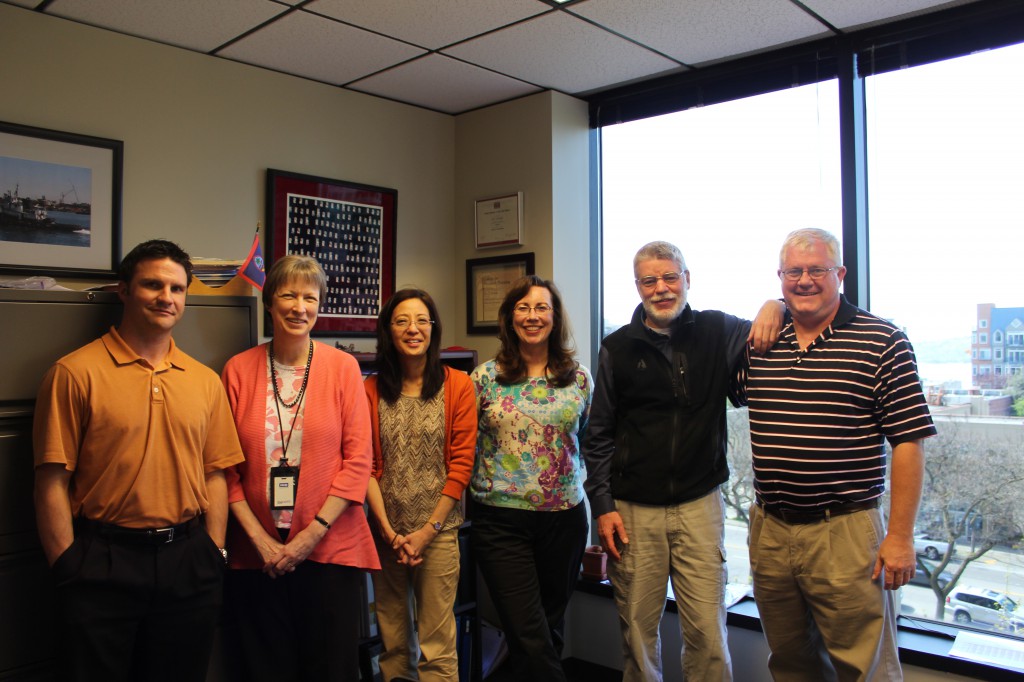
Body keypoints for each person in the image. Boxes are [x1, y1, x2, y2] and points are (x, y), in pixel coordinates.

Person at [33, 239, 244, 682]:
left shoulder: (205, 383)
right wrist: (68, 566)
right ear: (123, 291)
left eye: (177, 288)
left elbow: (215, 474)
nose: (166, 297)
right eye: (152, 285)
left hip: (188, 561)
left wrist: (215, 551)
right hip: (102, 562)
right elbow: (51, 481)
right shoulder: (74, 373)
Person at [740, 228, 936, 681]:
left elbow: (909, 442)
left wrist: (901, 537)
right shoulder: (762, 342)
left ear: (840, 274)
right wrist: (770, 306)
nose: (804, 280)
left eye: (817, 270)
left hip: (845, 531)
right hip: (770, 530)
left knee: (865, 667)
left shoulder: (883, 340)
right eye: (794, 271)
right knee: (790, 662)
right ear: (780, 277)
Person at [583, 240, 783, 682]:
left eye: (670, 277)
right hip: (633, 511)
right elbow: (598, 435)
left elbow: (774, 325)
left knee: (709, 633)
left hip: (699, 506)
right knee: (637, 633)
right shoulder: (616, 348)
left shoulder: (718, 330)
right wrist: (603, 505)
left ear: (687, 279)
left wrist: (777, 302)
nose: (661, 289)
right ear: (637, 287)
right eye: (649, 280)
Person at [220, 254, 379, 681]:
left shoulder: (344, 368)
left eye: (310, 297)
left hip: (330, 548)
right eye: (288, 294)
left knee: (330, 669)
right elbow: (224, 470)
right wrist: (259, 540)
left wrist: (311, 536)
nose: (299, 306)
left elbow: (358, 460)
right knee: (264, 668)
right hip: (257, 555)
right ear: (270, 302)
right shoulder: (237, 370)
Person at [470, 275, 593, 681]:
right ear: (509, 319)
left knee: (544, 631)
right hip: (501, 521)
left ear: (555, 317)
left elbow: (586, 440)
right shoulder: (484, 378)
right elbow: (466, 445)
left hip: (565, 519)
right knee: (528, 630)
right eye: (523, 308)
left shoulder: (579, 379)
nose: (532, 316)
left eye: (541, 307)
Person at [364, 289, 477, 681]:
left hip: (439, 533)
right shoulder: (371, 389)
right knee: (394, 644)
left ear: (433, 328)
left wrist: (428, 531)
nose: (413, 329)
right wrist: (389, 532)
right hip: (386, 535)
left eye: (421, 321)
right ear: (388, 330)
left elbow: (461, 465)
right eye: (402, 321)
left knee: (437, 646)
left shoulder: (459, 385)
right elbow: (367, 467)